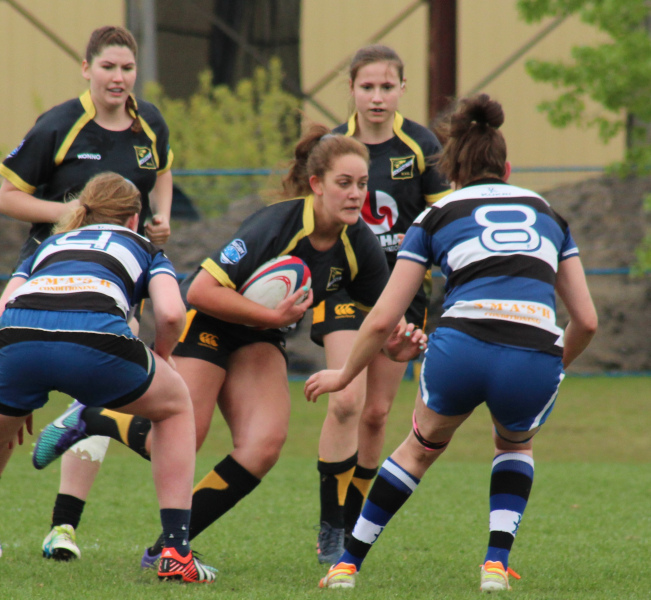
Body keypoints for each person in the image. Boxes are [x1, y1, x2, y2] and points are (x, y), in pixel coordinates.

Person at [32, 126, 427, 569]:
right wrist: (274, 318)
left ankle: (166, 547)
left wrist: (397, 347)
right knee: (180, 435)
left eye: (362, 184)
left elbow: (381, 320)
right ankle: (95, 416)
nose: (356, 194)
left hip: (259, 337)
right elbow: (199, 290)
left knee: (264, 446)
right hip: (210, 323)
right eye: (344, 183)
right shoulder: (275, 224)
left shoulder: (360, 245)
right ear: (317, 185)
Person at [305, 93, 598, 592]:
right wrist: (552, 364)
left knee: (419, 449)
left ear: (451, 172)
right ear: (507, 168)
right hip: (534, 347)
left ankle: (346, 565)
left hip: (461, 344)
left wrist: (344, 374)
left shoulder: (435, 216)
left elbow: (382, 319)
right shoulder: (549, 213)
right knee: (515, 443)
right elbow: (586, 321)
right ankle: (494, 566)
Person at [0, 25, 174, 560]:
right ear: (86, 69)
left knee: (96, 393)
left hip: (118, 280)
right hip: (51, 275)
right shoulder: (59, 124)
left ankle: (63, 528)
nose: (118, 78)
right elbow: (7, 195)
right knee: (8, 420)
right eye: (108, 68)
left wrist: (159, 220)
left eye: (126, 69)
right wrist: (75, 219)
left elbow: (162, 174)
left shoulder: (151, 124)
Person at [0, 172, 214, 582]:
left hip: (17, 341)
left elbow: (5, 308)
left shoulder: (48, 246)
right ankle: (175, 551)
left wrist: (12, 384)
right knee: (175, 406)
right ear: (134, 218)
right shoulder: (145, 247)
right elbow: (171, 313)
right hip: (96, 343)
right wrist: (162, 359)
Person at [312, 44, 449, 564]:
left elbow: (441, 221)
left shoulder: (421, 145)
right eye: (367, 87)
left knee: (375, 413)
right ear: (350, 89)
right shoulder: (332, 145)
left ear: (401, 89)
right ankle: (330, 526)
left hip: (402, 293)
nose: (376, 96)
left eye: (386, 86)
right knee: (344, 400)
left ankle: (353, 523)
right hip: (343, 288)